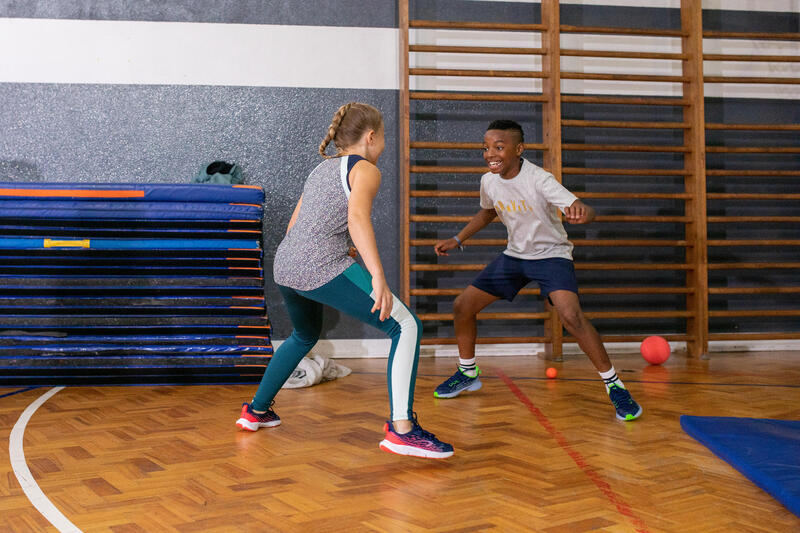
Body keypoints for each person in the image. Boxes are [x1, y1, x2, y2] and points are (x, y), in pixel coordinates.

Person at [236, 102, 454, 458]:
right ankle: (403, 429)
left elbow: (297, 226)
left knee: (304, 334)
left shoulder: (321, 170)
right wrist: (378, 277)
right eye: (382, 138)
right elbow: (356, 218)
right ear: (371, 137)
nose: (383, 145)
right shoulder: (365, 169)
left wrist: (338, 248)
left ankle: (256, 411)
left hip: (286, 263)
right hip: (318, 264)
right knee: (406, 326)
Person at [432, 119, 642, 421]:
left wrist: (584, 213)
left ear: (519, 149)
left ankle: (615, 386)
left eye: (499, 147)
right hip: (515, 257)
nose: (490, 153)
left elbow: (582, 207)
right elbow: (489, 211)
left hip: (551, 256)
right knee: (463, 306)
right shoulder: (488, 181)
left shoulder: (540, 179)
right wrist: (457, 238)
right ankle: (468, 372)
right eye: (486, 147)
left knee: (571, 316)